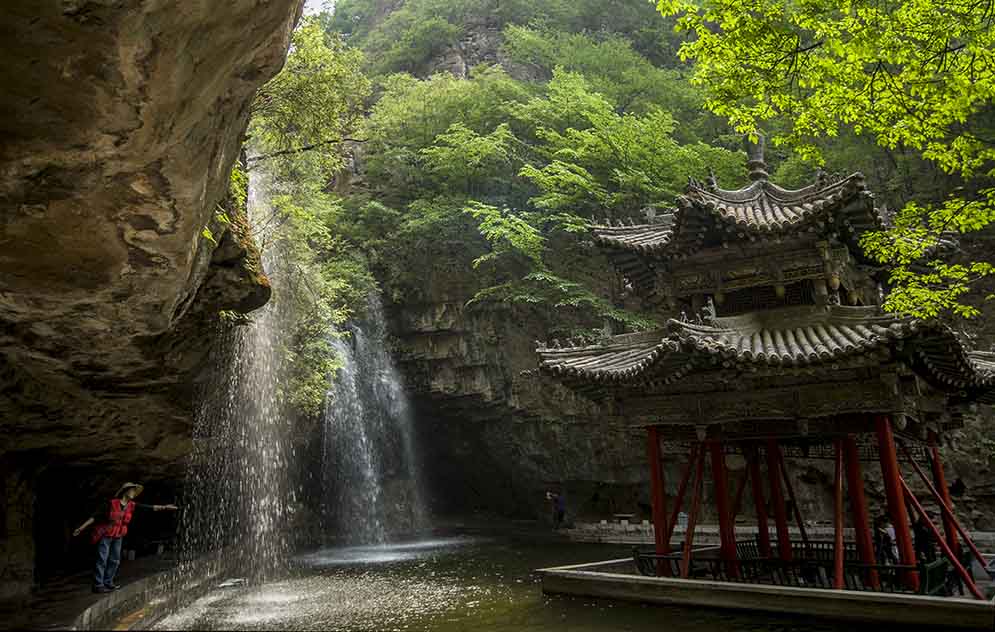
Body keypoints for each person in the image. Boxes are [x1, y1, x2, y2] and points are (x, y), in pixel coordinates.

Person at [72, 483, 178, 593]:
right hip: (107, 535)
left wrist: (165, 507)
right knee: (102, 559)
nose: (133, 493)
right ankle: (98, 585)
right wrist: (81, 528)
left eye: (134, 491)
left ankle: (108, 582)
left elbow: (150, 508)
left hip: (118, 536)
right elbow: (95, 516)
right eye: (132, 490)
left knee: (115, 560)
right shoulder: (112, 503)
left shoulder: (132, 505)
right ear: (125, 491)